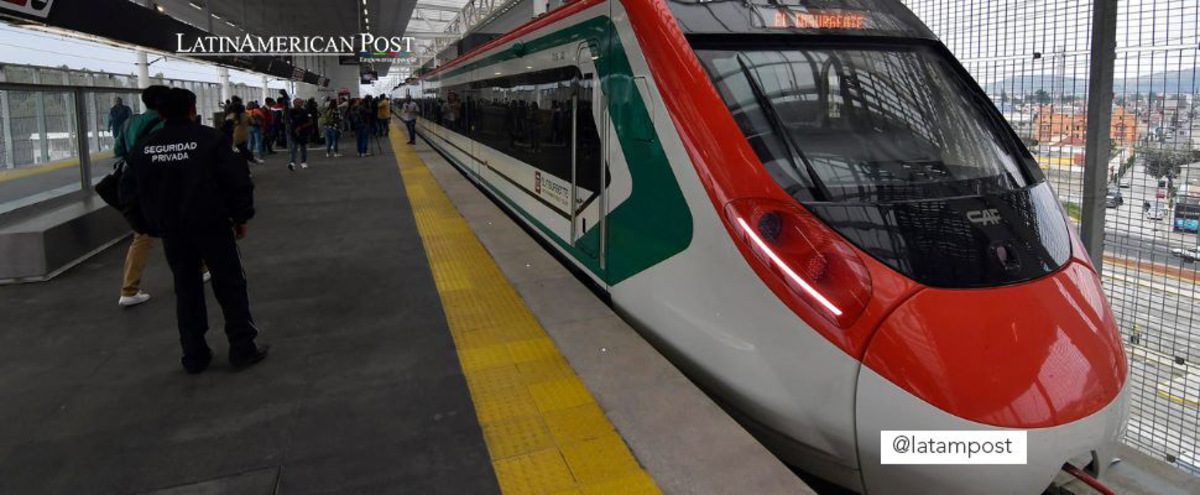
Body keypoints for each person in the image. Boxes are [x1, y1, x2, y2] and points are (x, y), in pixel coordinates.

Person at [120, 87, 269, 374]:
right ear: (193, 110)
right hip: (213, 225)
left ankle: (194, 354)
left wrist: (147, 225)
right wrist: (241, 217)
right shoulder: (210, 139)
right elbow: (236, 181)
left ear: (161, 114)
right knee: (231, 285)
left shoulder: (145, 146)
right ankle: (242, 348)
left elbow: (127, 191)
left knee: (185, 290)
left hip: (173, 232)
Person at [114, 85, 212, 307]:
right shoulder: (167, 123)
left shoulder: (129, 122)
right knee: (188, 227)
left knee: (141, 237)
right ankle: (202, 268)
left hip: (141, 188)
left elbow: (119, 151)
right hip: (172, 187)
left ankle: (129, 289)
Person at [224, 98, 256, 164]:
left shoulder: (230, 116)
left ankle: (244, 166)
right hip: (244, 137)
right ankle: (249, 163)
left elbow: (225, 126)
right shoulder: (246, 116)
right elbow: (253, 122)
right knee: (243, 153)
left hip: (233, 138)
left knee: (236, 154)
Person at [288, 98, 314, 170]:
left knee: (303, 148)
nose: (298, 104)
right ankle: (292, 162)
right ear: (294, 103)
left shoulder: (306, 112)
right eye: (296, 103)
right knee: (294, 148)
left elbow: (310, 122)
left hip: (303, 132)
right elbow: (287, 121)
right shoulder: (291, 112)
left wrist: (301, 127)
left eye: (300, 103)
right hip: (294, 132)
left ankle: (303, 162)